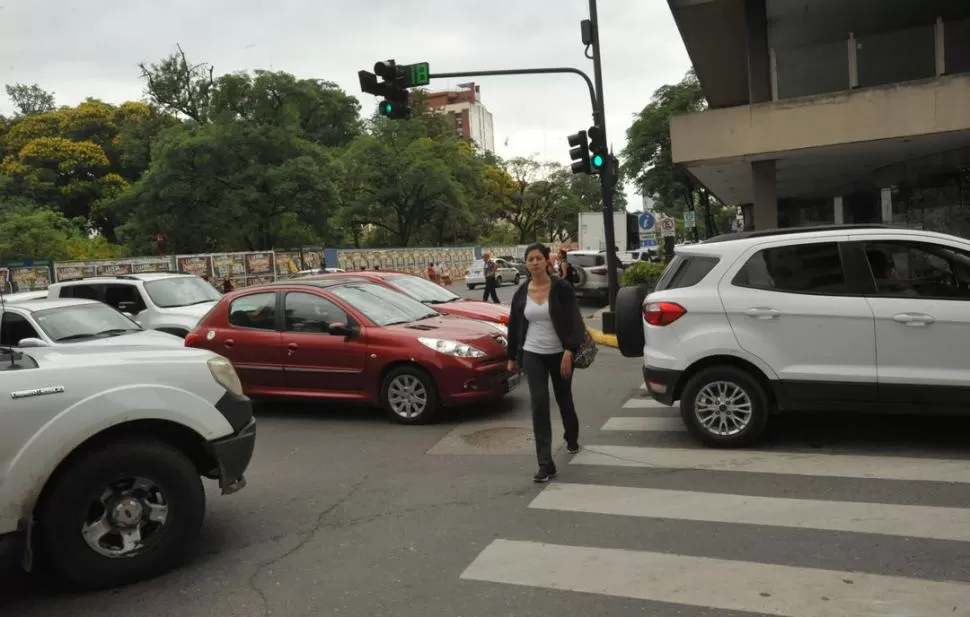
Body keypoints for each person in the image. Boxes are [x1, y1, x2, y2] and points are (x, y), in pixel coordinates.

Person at [506, 243, 586, 483]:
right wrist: (511, 357)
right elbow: (514, 325)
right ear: (526, 264)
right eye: (530, 259)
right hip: (532, 353)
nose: (534, 263)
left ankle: (571, 437)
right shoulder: (521, 293)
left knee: (564, 399)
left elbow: (575, 320)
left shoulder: (561, 288)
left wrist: (569, 350)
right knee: (539, 403)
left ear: (546, 261)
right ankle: (545, 463)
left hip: (560, 353)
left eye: (538, 258)